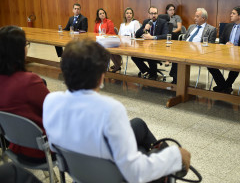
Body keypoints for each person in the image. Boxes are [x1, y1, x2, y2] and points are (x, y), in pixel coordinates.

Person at [43, 39, 191, 183]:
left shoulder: (50, 101)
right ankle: (166, 158)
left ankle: (159, 151)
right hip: (110, 175)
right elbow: (136, 172)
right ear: (101, 77)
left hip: (79, 172)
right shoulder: (110, 110)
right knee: (165, 155)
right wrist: (175, 157)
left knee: (138, 124)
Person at [0, 26, 50, 162]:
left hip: (14, 144)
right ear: (18, 50)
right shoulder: (29, 81)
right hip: (40, 150)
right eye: (26, 44)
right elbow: (53, 111)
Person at [208, 6, 240, 93]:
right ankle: (225, 86)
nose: (230, 15)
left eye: (233, 13)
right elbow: (221, 41)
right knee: (209, 64)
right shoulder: (228, 26)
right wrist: (225, 44)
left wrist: (236, 47)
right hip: (225, 54)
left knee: (235, 68)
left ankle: (224, 86)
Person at [170, 8, 217, 84]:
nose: (194, 18)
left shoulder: (211, 29)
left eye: (197, 16)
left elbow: (211, 45)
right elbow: (185, 39)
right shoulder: (191, 27)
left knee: (179, 55)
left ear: (203, 18)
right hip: (185, 48)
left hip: (198, 52)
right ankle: (176, 78)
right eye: (195, 16)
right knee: (175, 54)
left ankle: (177, 81)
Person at [132, 6, 169, 80]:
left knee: (150, 55)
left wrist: (153, 37)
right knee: (134, 56)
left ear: (157, 14)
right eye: (151, 13)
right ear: (148, 14)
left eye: (155, 13)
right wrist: (145, 28)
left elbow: (166, 35)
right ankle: (147, 71)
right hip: (147, 47)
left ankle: (153, 75)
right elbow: (137, 34)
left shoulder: (163, 22)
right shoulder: (146, 22)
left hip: (159, 48)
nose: (153, 15)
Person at [94, 8, 122, 73]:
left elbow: (111, 32)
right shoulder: (97, 23)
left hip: (109, 40)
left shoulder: (109, 21)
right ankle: (99, 66)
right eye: (100, 14)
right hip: (100, 41)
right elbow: (94, 33)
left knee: (108, 50)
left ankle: (117, 65)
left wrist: (103, 38)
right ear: (98, 16)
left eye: (103, 13)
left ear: (105, 14)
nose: (102, 14)